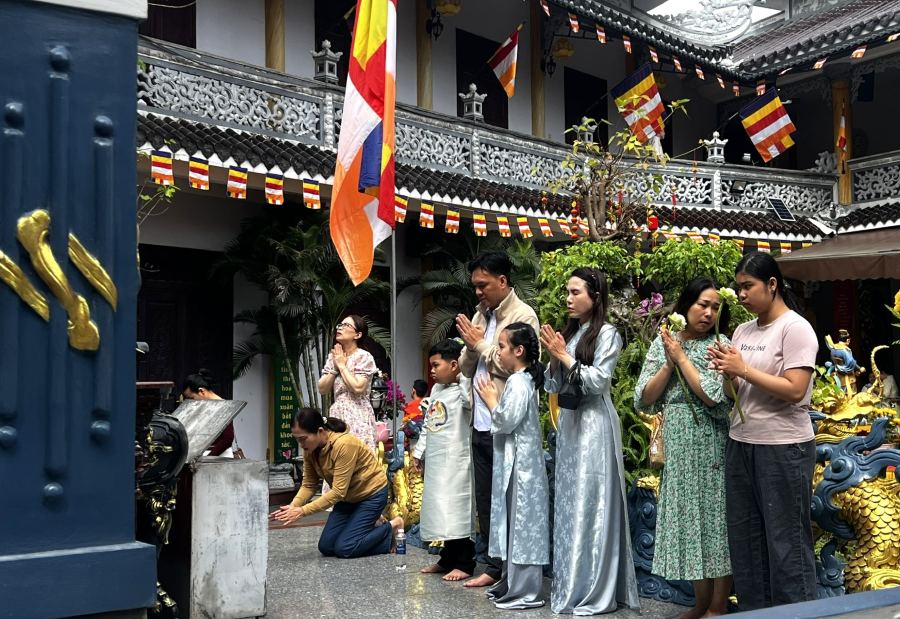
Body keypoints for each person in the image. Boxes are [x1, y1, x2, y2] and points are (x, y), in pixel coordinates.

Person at [708, 252, 818, 610]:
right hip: (741, 443)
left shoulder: (795, 328)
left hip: (784, 447)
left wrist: (743, 369)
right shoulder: (743, 330)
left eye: (748, 286)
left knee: (786, 545)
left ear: (772, 285)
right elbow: (733, 394)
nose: (741, 294)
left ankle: (798, 614)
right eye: (738, 287)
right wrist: (728, 373)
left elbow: (796, 389)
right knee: (747, 544)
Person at [541, 268, 640, 615]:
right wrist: (554, 358)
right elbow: (552, 387)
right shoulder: (570, 333)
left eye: (575, 292)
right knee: (570, 503)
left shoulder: (608, 333)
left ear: (595, 297)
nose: (568, 299)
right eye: (567, 292)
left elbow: (598, 382)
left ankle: (595, 590)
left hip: (595, 426)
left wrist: (564, 356)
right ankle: (571, 585)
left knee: (592, 503)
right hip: (570, 424)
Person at [634, 278, 733, 619]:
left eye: (715, 307)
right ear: (686, 305)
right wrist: (669, 361)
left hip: (710, 439)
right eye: (702, 305)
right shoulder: (665, 341)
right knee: (688, 520)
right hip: (677, 440)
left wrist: (681, 359)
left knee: (714, 519)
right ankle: (700, 603)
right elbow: (644, 397)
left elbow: (712, 395)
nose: (708, 313)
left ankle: (718, 606)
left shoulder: (721, 343)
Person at [456, 251, 540, 588]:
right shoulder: (480, 314)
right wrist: (470, 346)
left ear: (502, 281)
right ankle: (493, 564)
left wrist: (481, 345)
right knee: (486, 498)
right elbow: (465, 368)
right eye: (475, 286)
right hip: (478, 419)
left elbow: (518, 367)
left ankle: (508, 569)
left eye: (483, 285)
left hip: (505, 421)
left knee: (507, 499)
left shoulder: (523, 315)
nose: (478, 292)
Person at [474, 322, 549, 610]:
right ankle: (512, 582)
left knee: (523, 523)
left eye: (502, 347)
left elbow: (507, 421)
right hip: (518, 461)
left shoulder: (518, 382)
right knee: (515, 522)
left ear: (518, 351)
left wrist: (491, 400)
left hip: (522, 464)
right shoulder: (522, 379)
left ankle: (525, 589)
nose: (499, 352)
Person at [270, 408, 404, 558]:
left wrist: (302, 511)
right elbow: (309, 485)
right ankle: (370, 526)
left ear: (320, 431)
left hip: (371, 495)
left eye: (303, 439)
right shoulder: (310, 449)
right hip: (348, 498)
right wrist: (293, 506)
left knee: (345, 548)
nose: (301, 444)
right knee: (326, 547)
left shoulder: (344, 444)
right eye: (297, 439)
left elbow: (338, 491)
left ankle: (392, 526)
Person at [413, 339, 476, 581]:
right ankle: (447, 558)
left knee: (457, 508)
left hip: (457, 459)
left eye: (436, 365)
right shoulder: (437, 390)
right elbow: (429, 424)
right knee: (440, 507)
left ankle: (465, 562)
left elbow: (469, 403)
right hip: (437, 460)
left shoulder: (465, 386)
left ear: (454, 365)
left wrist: (464, 376)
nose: (432, 371)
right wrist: (419, 452)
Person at [318, 314, 378, 452]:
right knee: (337, 457)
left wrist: (342, 365)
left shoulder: (364, 356)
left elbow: (358, 387)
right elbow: (322, 388)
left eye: (346, 325)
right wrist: (335, 367)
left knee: (358, 457)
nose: (340, 328)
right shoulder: (333, 356)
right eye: (340, 325)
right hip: (337, 414)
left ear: (357, 335)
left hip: (358, 414)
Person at [182, 369, 235, 457]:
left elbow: (227, 439)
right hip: (203, 456)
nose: (191, 402)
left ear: (201, 391)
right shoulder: (204, 407)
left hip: (219, 458)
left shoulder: (224, 407)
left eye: (192, 398)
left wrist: (208, 457)